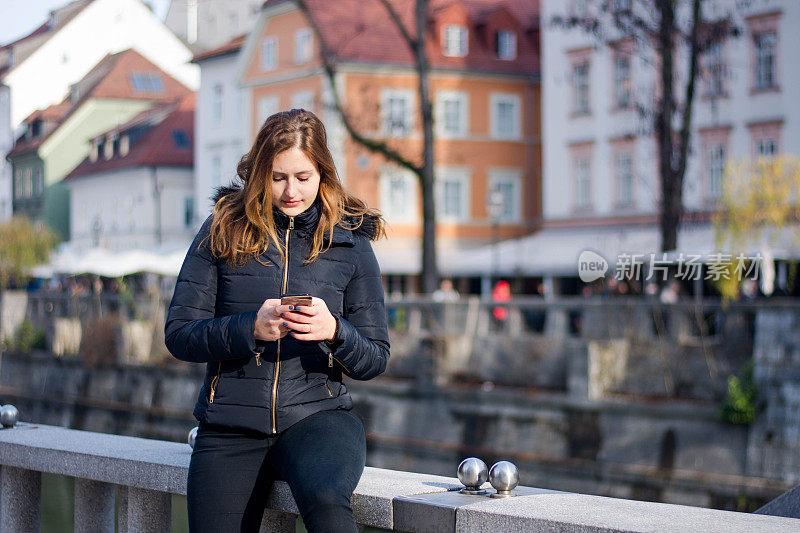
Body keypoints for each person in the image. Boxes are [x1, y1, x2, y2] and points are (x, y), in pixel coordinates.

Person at [164, 109, 389, 532]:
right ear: (259, 174)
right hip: (230, 425)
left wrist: (335, 332)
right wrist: (249, 328)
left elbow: (376, 358)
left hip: (318, 419)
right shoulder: (222, 229)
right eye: (277, 177)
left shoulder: (350, 241)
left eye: (303, 177)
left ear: (323, 173)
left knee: (327, 504)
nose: (290, 192)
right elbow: (179, 335)